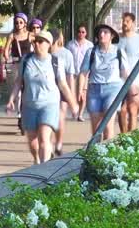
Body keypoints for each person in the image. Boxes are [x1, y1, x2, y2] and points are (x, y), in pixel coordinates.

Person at [8, 29, 79, 164]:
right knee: (32, 141)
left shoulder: (56, 62)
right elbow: (19, 82)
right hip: (29, 104)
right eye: (35, 41)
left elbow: (63, 85)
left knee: (44, 138)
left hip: (49, 104)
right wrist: (11, 99)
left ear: (48, 44)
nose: (37, 44)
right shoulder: (26, 60)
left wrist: (73, 104)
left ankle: (44, 168)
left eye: (40, 41)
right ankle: (36, 160)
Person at [79, 24, 127, 143]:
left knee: (108, 126)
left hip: (112, 89)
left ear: (112, 36)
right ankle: (95, 154)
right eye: (100, 32)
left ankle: (107, 156)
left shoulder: (119, 51)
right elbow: (83, 72)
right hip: (94, 89)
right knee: (96, 130)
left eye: (105, 32)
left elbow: (125, 73)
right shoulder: (91, 51)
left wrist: (128, 91)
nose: (102, 35)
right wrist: (81, 90)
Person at [116, 12, 139, 133]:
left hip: (135, 81)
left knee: (132, 110)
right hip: (119, 80)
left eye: (127, 21)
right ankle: (123, 136)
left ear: (133, 23)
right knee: (121, 110)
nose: (124, 23)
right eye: (123, 21)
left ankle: (131, 137)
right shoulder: (117, 40)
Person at [49, 29, 77, 155]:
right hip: (48, 89)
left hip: (62, 88)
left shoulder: (66, 54)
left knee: (60, 117)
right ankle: (48, 143)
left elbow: (70, 76)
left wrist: (71, 95)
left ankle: (58, 143)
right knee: (48, 119)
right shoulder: (42, 53)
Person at [67, 25, 93, 120]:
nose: (81, 34)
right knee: (74, 95)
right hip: (73, 73)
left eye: (83, 32)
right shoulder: (70, 45)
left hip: (85, 73)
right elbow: (67, 59)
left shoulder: (90, 45)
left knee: (83, 95)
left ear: (86, 33)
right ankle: (75, 112)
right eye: (79, 31)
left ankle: (80, 114)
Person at [0, 13, 30, 82]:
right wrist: (7, 59)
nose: (19, 24)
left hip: (28, 64)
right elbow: (6, 49)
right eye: (16, 23)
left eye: (21, 22)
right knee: (15, 84)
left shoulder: (30, 35)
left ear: (25, 23)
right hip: (16, 63)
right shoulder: (12, 36)